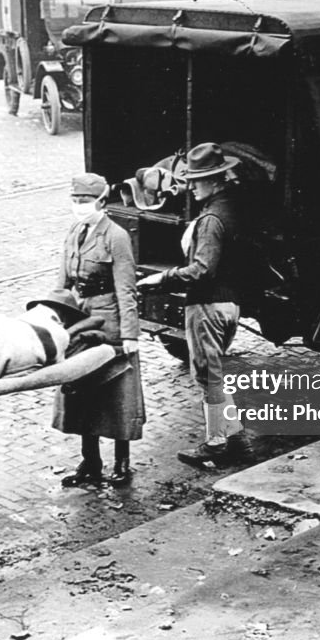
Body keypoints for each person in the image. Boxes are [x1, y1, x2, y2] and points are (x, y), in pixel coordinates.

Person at [138, 142, 254, 469]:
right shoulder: (233, 208)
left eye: (198, 179)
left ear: (216, 180)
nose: (191, 186)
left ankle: (217, 444)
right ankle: (237, 440)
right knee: (215, 373)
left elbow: (202, 269)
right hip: (231, 305)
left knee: (208, 378)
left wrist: (160, 280)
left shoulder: (211, 220)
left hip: (207, 306)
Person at [54, 173, 144, 488]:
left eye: (85, 201)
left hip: (109, 324)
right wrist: (54, 316)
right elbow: (62, 281)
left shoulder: (116, 236)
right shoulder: (74, 231)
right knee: (81, 392)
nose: (79, 207)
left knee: (116, 395)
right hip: (79, 322)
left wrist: (130, 335)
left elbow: (127, 289)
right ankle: (90, 462)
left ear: (102, 202)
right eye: (75, 201)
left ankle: (122, 462)